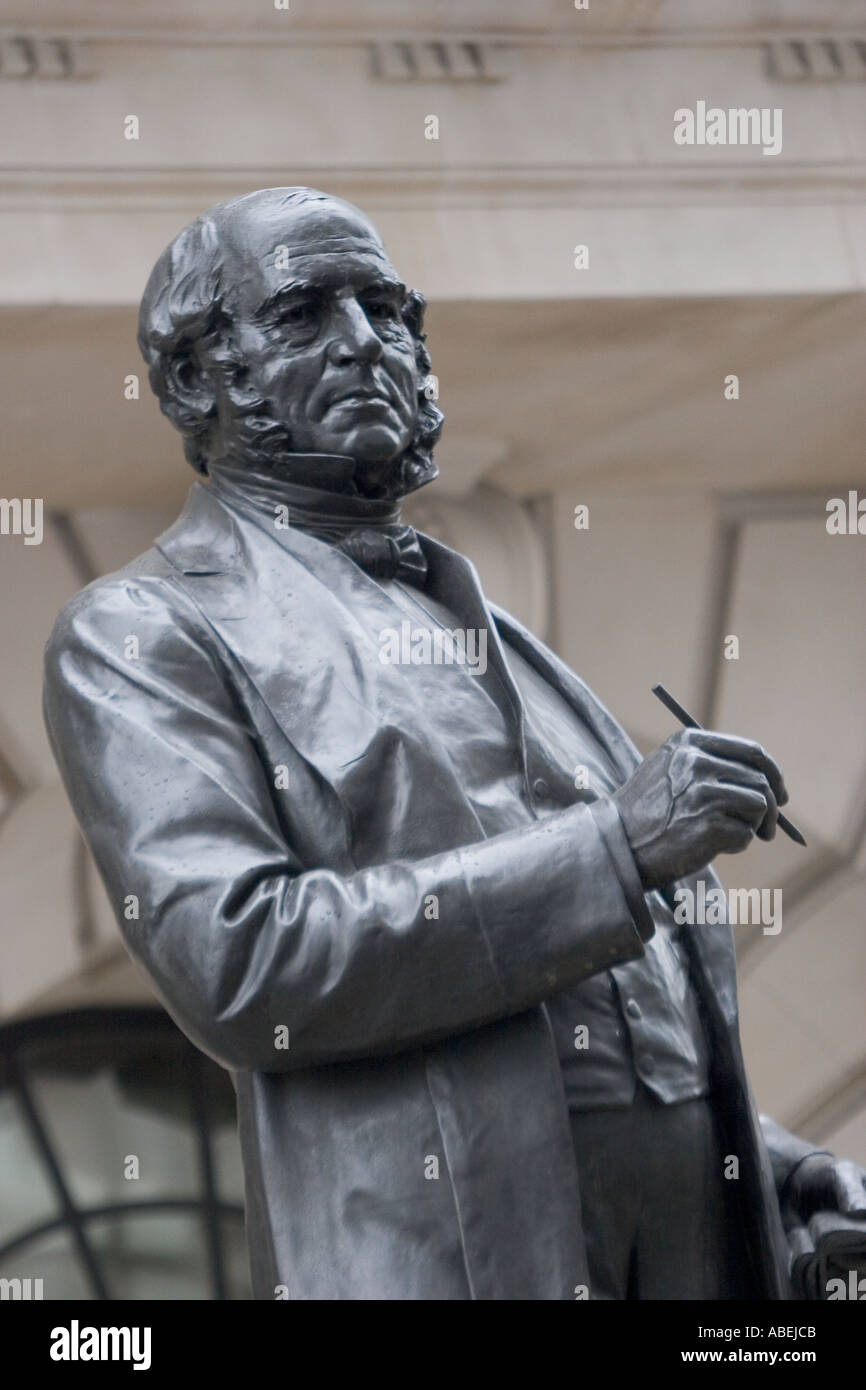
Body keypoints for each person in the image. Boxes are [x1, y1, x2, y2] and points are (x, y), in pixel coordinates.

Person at [43, 187, 865, 1300]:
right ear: (195, 377)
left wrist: (767, 1168)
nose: (365, 343)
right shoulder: (145, 632)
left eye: (388, 310)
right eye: (303, 315)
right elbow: (242, 965)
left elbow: (602, 1032)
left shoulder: (489, 629)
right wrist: (613, 851)